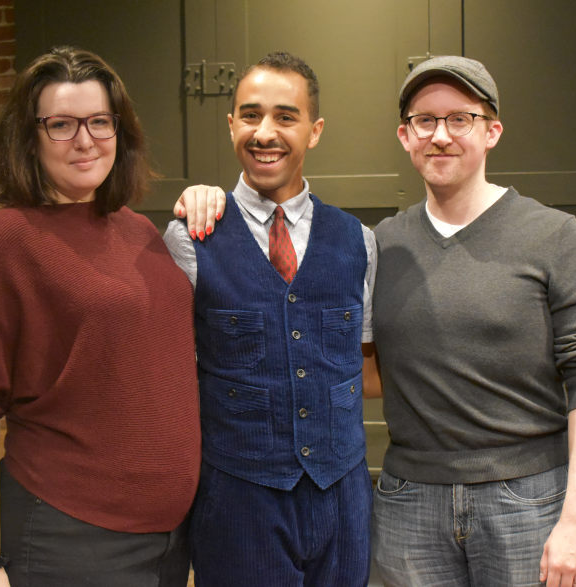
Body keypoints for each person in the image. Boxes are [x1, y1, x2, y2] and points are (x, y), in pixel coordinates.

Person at [0, 46, 201, 587]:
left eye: (100, 121)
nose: (85, 140)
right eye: (61, 124)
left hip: (169, 540)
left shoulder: (137, 231)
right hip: (67, 538)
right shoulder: (1, 245)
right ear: (28, 136)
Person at [365, 56, 576, 587]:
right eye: (424, 121)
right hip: (409, 503)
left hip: (530, 501)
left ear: (492, 131)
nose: (440, 136)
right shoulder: (380, 245)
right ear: (405, 136)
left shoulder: (554, 235)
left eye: (460, 119)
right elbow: (364, 370)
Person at [163, 51, 377, 587]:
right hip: (238, 499)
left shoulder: (359, 241)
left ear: (314, 130)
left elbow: (366, 365)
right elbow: (169, 379)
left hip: (343, 498)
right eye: (251, 115)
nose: (265, 133)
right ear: (231, 122)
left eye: (286, 117)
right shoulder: (191, 237)